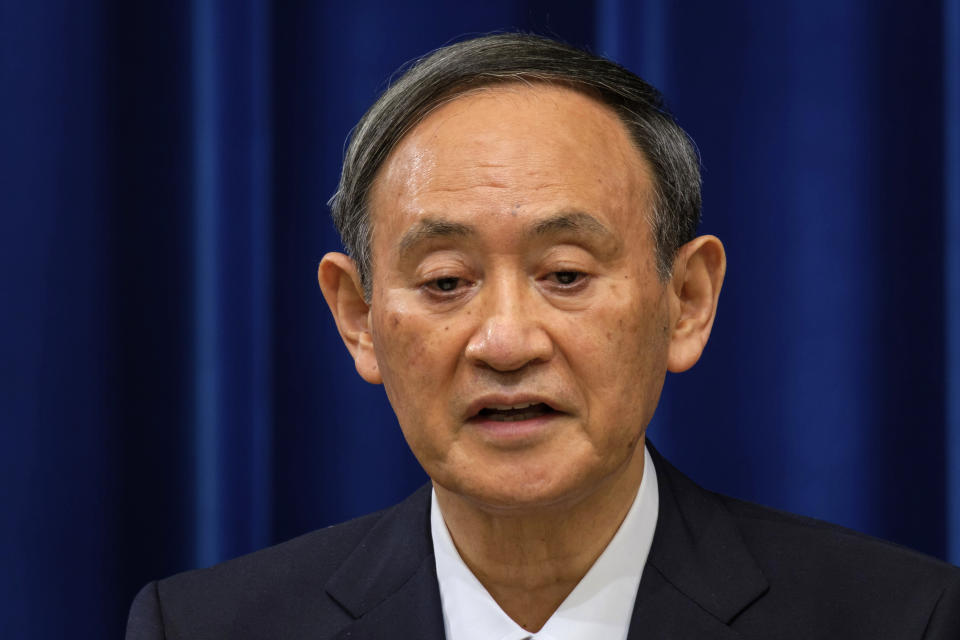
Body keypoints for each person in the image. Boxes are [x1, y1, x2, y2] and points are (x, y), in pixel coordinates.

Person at [126, 33, 960, 639]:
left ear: (688, 300)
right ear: (359, 318)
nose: (507, 341)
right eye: (447, 282)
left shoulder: (898, 618)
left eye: (565, 274)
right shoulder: (205, 627)